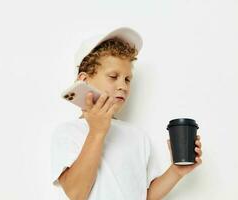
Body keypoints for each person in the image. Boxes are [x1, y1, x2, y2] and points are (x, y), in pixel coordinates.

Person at [50, 27, 203, 200]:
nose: (123, 86)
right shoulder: (68, 132)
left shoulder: (137, 136)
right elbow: (76, 194)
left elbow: (145, 195)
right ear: (84, 80)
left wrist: (176, 171)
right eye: (113, 76)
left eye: (127, 79)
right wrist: (97, 131)